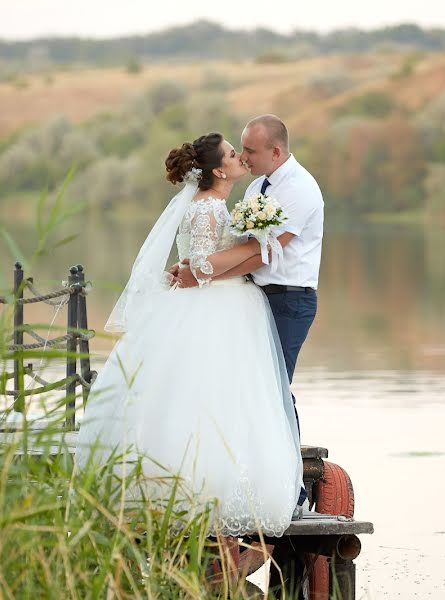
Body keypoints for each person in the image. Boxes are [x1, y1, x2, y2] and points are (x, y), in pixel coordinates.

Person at [75, 132, 304, 537]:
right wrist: (249, 254)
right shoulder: (210, 207)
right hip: (219, 306)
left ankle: (197, 481)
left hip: (216, 301)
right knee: (212, 395)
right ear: (219, 170)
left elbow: (193, 262)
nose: (239, 158)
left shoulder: (210, 204)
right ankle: (205, 488)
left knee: (202, 393)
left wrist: (222, 259)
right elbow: (200, 263)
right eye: (234, 154)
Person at [171, 115, 324, 515]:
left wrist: (197, 273)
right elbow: (237, 245)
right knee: (246, 391)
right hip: (253, 296)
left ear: (275, 151)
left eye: (250, 151)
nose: (245, 157)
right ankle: (240, 480)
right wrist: (193, 268)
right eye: (239, 151)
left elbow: (261, 252)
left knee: (274, 390)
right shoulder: (258, 185)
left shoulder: (301, 190)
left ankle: (291, 493)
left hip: (289, 299)